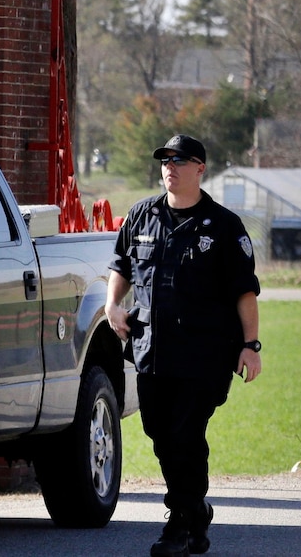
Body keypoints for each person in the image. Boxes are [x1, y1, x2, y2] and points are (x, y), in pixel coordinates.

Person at [106, 134, 262, 557]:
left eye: (180, 160)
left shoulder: (224, 226)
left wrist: (251, 345)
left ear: (200, 169)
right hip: (152, 350)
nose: (170, 167)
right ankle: (196, 511)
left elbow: (244, 292)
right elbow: (121, 265)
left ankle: (177, 524)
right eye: (165, 160)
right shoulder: (141, 215)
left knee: (186, 433)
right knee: (159, 432)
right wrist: (112, 305)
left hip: (205, 353)